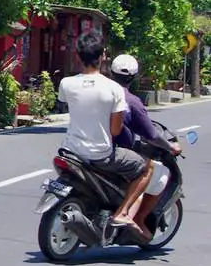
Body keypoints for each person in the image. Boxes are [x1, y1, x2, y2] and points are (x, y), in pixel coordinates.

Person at [57, 32, 153, 237]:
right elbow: (116, 130)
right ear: (102, 57)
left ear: (78, 56)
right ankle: (123, 212)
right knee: (146, 168)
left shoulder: (66, 84)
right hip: (101, 155)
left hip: (70, 151)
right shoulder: (113, 89)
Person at [109, 54, 181, 239]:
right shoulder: (131, 101)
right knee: (155, 172)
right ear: (134, 77)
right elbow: (151, 135)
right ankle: (136, 217)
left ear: (110, 72)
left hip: (80, 148)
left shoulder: (98, 93)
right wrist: (170, 147)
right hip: (114, 154)